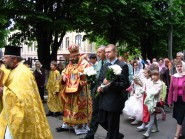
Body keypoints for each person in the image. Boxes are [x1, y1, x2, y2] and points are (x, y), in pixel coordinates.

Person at [0, 46, 53, 139]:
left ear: (14, 59)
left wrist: (3, 90)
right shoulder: (15, 70)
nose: (4, 60)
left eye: (6, 57)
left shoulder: (22, 73)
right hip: (12, 112)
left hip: (21, 115)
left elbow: (20, 96)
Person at [57, 44, 92, 135]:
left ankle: (80, 126)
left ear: (78, 55)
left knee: (79, 108)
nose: (72, 58)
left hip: (81, 92)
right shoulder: (70, 64)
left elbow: (89, 75)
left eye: (74, 56)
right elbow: (65, 71)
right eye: (71, 56)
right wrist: (64, 76)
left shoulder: (85, 63)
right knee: (69, 108)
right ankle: (69, 123)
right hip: (69, 91)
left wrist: (81, 77)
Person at [97, 44, 130, 139]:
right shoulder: (105, 65)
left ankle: (113, 135)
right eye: (106, 52)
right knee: (101, 120)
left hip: (114, 99)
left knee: (112, 124)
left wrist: (111, 83)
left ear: (115, 52)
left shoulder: (122, 65)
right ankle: (116, 134)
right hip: (104, 98)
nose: (106, 54)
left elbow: (125, 84)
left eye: (109, 52)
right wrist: (100, 86)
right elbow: (101, 79)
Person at [82, 45, 108, 139]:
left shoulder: (109, 64)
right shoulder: (97, 64)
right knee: (95, 113)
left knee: (105, 115)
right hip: (96, 92)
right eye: (98, 52)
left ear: (105, 52)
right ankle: (90, 134)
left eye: (100, 52)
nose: (98, 54)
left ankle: (113, 132)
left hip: (105, 92)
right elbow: (94, 77)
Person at [143, 70, 163, 138]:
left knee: (152, 116)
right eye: (152, 75)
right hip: (150, 102)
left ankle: (147, 132)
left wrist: (149, 92)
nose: (153, 77)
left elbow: (156, 92)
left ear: (158, 75)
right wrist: (145, 91)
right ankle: (157, 128)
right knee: (153, 116)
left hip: (155, 103)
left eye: (155, 75)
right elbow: (147, 90)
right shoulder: (151, 82)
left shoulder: (160, 83)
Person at [168, 61, 185, 139]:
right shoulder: (174, 76)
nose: (179, 68)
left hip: (184, 100)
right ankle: (181, 132)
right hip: (177, 100)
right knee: (178, 117)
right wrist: (169, 101)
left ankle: (176, 135)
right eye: (177, 66)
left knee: (180, 117)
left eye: (181, 66)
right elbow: (171, 90)